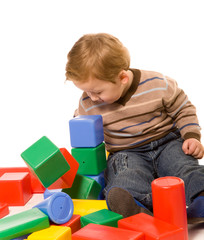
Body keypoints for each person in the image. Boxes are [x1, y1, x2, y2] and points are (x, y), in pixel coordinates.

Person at [65, 33, 204, 223]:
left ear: (122, 77)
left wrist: (191, 136)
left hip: (167, 142)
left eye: (97, 91)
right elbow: (84, 130)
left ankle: (201, 199)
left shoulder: (157, 85)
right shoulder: (88, 103)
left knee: (182, 166)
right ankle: (137, 208)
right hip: (126, 151)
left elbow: (183, 108)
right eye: (86, 91)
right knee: (125, 176)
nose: (92, 97)